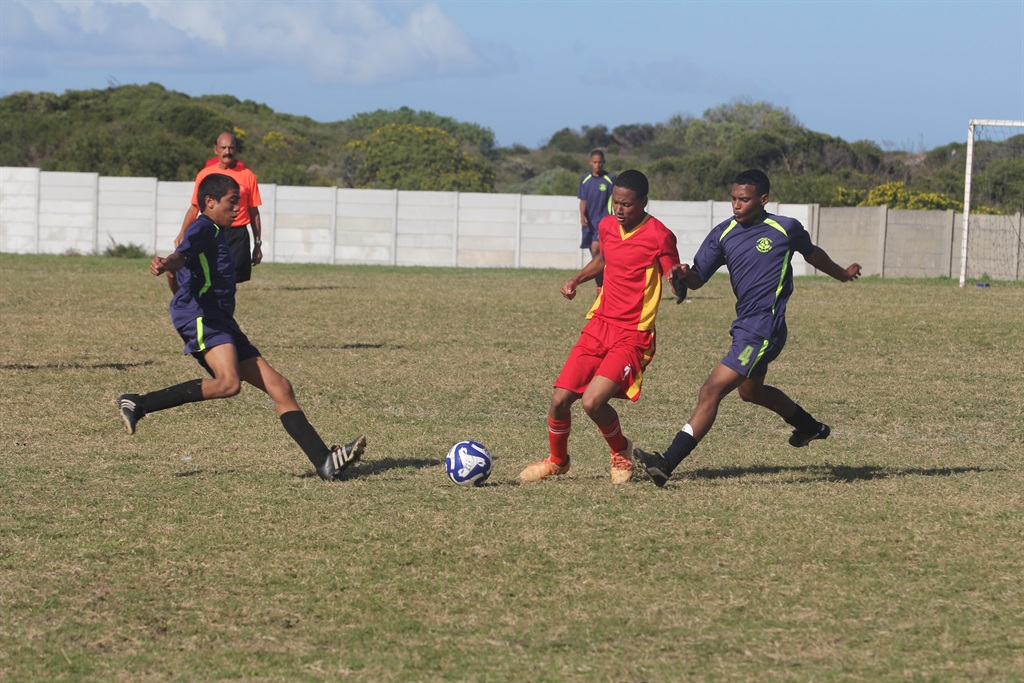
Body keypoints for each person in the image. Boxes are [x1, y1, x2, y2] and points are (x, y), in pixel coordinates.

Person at [117, 173, 366, 481]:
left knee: (280, 387)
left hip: (221, 319)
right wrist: (168, 263)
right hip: (203, 317)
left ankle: (324, 462)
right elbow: (181, 254)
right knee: (228, 384)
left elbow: (181, 274)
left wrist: (173, 274)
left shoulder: (218, 232)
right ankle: (138, 402)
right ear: (210, 202)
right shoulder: (203, 227)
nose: (238, 209)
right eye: (232, 202)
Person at [635, 169, 862, 487]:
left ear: (763, 199)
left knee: (710, 391)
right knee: (751, 392)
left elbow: (812, 254)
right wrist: (682, 275)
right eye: (733, 198)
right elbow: (698, 278)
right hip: (744, 327)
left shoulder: (785, 228)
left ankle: (666, 463)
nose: (736, 205)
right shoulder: (722, 233)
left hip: (765, 329)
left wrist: (841, 273)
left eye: (743, 199)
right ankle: (809, 427)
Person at [520, 170, 681, 484]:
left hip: (633, 334)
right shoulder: (608, 225)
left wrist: (679, 278)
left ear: (644, 202)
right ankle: (557, 460)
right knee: (559, 399)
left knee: (593, 402)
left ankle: (620, 450)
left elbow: (671, 271)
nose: (619, 210)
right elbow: (604, 258)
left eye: (627, 205)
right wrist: (576, 279)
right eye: (615, 203)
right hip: (599, 324)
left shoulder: (660, 234)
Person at [169, 133, 262, 291]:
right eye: (223, 148)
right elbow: (194, 207)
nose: (227, 151)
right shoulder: (205, 175)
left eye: (231, 147)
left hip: (237, 235)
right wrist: (182, 232)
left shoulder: (248, 176)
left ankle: (222, 310)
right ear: (215, 150)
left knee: (230, 279)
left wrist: (258, 243)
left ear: (236, 150)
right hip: (210, 232)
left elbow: (254, 211)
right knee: (205, 273)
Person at [577, 150, 617, 294]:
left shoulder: (610, 179)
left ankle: (604, 284)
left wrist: (612, 220)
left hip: (603, 222)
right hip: (589, 222)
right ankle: (601, 284)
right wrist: (582, 215)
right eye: (595, 162)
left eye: (600, 162)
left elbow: (615, 201)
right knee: (594, 255)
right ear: (590, 162)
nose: (597, 165)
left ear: (604, 162)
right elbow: (583, 200)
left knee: (596, 249)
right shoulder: (585, 179)